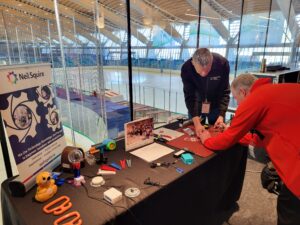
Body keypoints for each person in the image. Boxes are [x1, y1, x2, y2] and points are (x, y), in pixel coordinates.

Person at [199, 74, 300, 225]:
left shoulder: (254, 99)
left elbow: (225, 141)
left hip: (296, 170)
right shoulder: (272, 91)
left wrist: (206, 139)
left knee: (289, 209)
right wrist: (232, 130)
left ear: (243, 92)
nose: (237, 103)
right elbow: (260, 138)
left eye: (235, 97)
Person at [181, 48, 230, 137]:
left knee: (218, 133)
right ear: (193, 63)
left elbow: (225, 91)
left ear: (212, 62)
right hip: (196, 105)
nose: (203, 74)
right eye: (200, 71)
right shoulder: (186, 69)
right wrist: (196, 123)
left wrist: (221, 115)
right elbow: (189, 96)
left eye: (207, 70)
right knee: (195, 134)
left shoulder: (222, 64)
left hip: (216, 105)